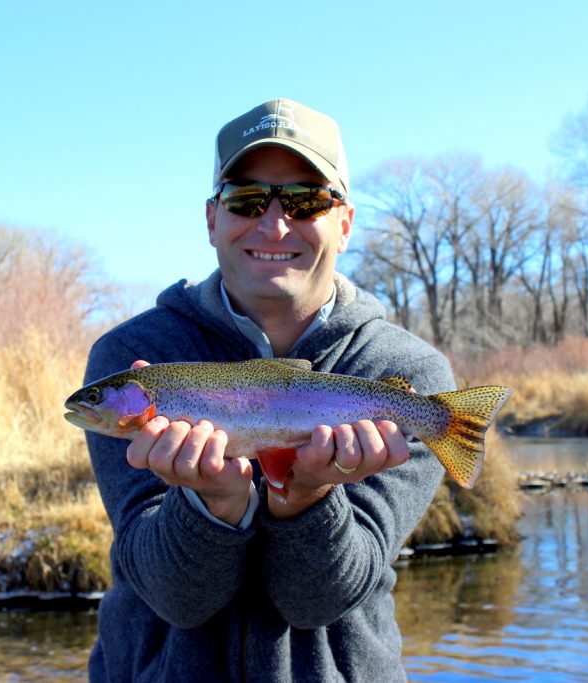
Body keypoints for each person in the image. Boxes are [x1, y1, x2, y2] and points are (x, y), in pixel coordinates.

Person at [82, 98, 457, 682]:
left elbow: (317, 603)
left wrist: (305, 495)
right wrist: (211, 506)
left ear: (345, 223)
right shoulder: (131, 355)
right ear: (213, 219)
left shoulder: (410, 376)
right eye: (247, 199)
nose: (274, 223)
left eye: (306, 200)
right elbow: (177, 601)